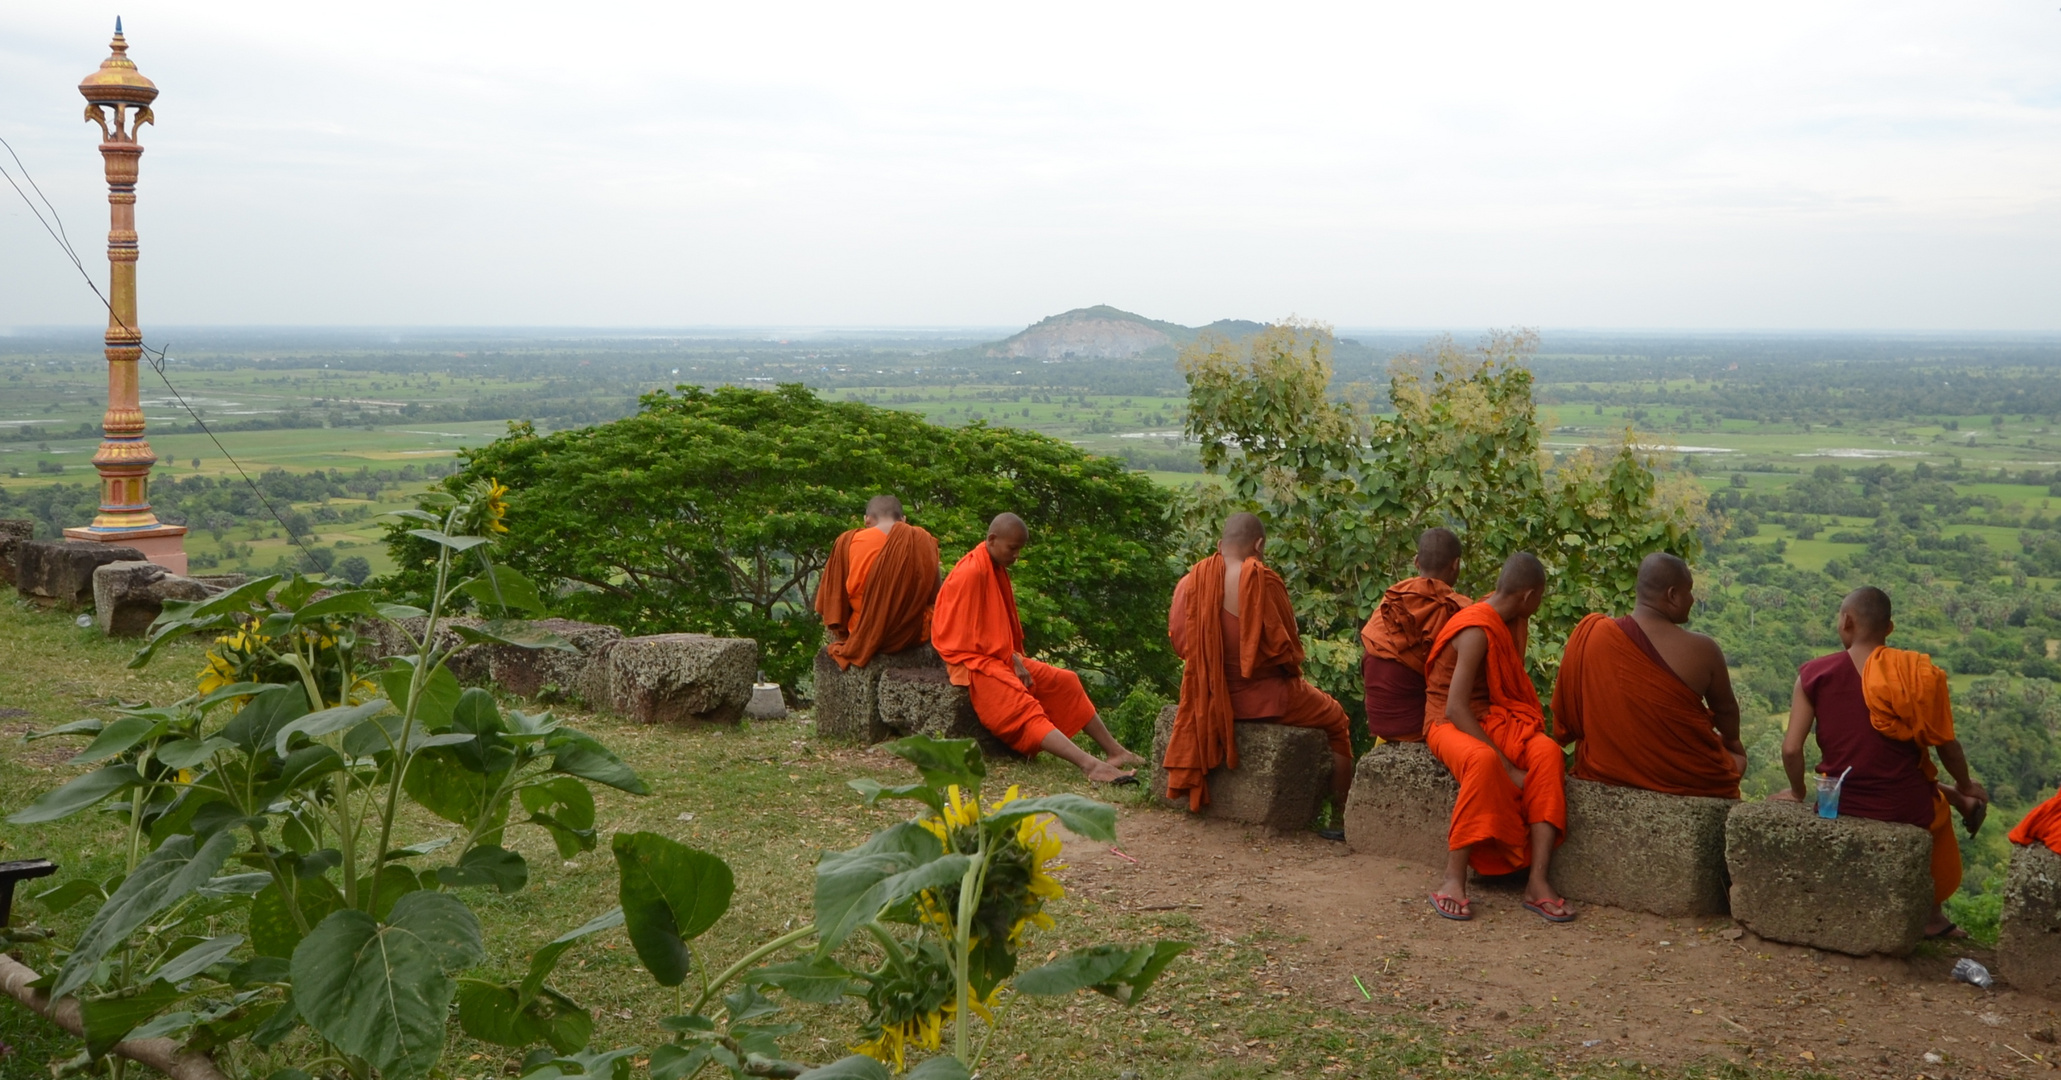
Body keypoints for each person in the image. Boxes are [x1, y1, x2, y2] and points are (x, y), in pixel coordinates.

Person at [1776, 586, 1990, 938]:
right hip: (1906, 805)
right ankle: (1933, 916)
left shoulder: (1814, 674)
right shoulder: (1915, 675)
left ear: (1846, 621)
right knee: (1932, 809)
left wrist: (1797, 791)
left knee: (1899, 777)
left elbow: (1790, 750)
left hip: (1842, 800)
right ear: (1889, 629)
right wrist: (1967, 783)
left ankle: (1953, 795)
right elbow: (1946, 744)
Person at [1164, 513, 1355, 824]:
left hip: (1206, 698)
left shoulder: (1190, 581)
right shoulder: (1261, 579)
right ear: (1259, 544)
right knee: (1337, 720)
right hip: (1264, 698)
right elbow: (1288, 652)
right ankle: (1339, 816)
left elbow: (1181, 645)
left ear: (1219, 545)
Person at [931, 513, 1145, 783]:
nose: (1016, 556)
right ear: (992, 540)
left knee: (1065, 681)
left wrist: (1012, 658)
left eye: (1020, 549)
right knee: (1023, 706)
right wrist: (1010, 659)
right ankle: (1090, 765)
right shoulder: (972, 571)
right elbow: (956, 634)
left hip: (997, 655)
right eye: (1013, 548)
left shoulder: (993, 566)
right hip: (972, 663)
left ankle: (1115, 751)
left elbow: (987, 630)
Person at [1422, 552, 1574, 923]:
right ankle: (1452, 879)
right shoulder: (1476, 629)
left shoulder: (1509, 618)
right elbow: (1456, 708)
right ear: (1528, 597)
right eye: (1540, 598)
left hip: (1491, 717)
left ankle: (1537, 881)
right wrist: (1507, 767)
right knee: (1484, 761)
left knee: (1547, 753)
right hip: (1446, 722)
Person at [1551, 553, 1747, 798]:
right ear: (1672, 595)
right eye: (1689, 591)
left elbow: (1567, 722)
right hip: (1684, 776)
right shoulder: (1704, 650)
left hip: (1606, 771)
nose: (1693, 599)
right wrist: (1733, 741)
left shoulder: (1593, 634)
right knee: (1737, 759)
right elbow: (1727, 710)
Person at [1361, 528, 1471, 742]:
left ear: (1416, 561)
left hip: (1379, 722)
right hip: (1417, 725)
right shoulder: (1456, 609)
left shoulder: (1393, 596)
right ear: (1456, 564)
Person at [815, 495, 942, 670]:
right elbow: (935, 596)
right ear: (903, 520)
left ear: (867, 520)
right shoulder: (923, 541)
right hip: (911, 633)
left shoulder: (848, 542)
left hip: (861, 631)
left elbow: (832, 602)